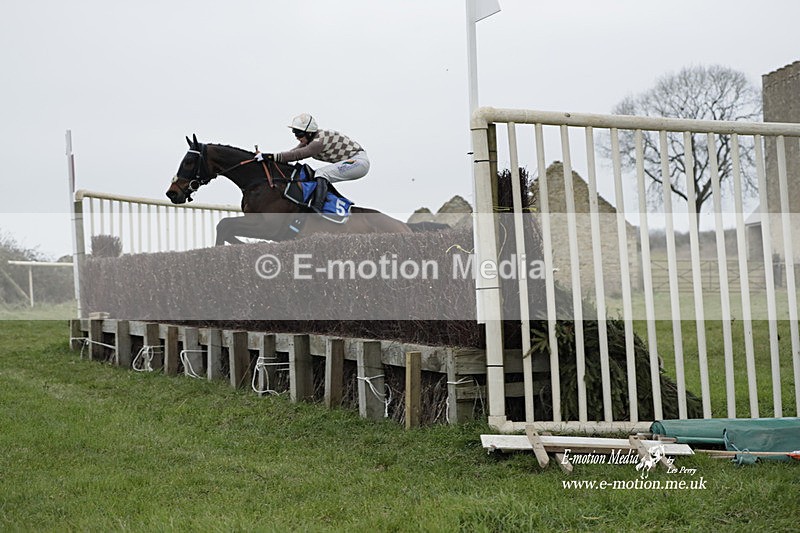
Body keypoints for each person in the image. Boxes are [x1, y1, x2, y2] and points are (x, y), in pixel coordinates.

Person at [258, 113, 369, 213]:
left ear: (309, 133)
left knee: (321, 174)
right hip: (353, 161)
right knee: (314, 176)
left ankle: (317, 208)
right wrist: (269, 160)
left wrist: (269, 156)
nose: (297, 137)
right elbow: (293, 153)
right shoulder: (311, 138)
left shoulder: (318, 142)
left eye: (299, 133)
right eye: (295, 132)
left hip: (359, 162)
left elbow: (298, 155)